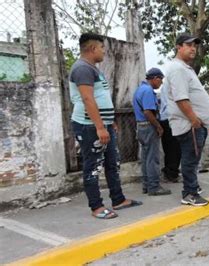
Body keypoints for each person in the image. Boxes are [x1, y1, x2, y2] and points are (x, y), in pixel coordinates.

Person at [70, 33, 141, 219]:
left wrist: (110, 122)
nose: (104, 51)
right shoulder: (82, 69)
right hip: (89, 126)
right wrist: (100, 127)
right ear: (93, 48)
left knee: (112, 162)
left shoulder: (93, 69)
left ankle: (118, 199)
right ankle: (96, 207)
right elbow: (87, 98)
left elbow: (101, 99)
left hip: (103, 124)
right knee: (93, 166)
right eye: (102, 48)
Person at [165, 33, 209, 206]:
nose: (193, 48)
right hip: (190, 124)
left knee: (192, 158)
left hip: (195, 123)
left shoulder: (185, 68)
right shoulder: (177, 69)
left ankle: (193, 187)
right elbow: (181, 98)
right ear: (179, 47)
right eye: (189, 45)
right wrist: (194, 120)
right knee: (190, 158)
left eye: (195, 45)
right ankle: (189, 193)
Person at [132, 68, 171, 196]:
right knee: (153, 158)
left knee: (145, 157)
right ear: (155, 78)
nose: (161, 83)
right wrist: (158, 126)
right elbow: (148, 112)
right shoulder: (148, 91)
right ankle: (154, 187)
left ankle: (146, 185)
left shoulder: (140, 89)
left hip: (141, 126)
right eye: (161, 80)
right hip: (149, 126)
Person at [158, 83, 181, 183]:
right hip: (171, 119)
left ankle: (170, 172)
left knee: (169, 148)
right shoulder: (172, 85)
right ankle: (172, 173)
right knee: (175, 149)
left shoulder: (165, 87)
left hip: (165, 118)